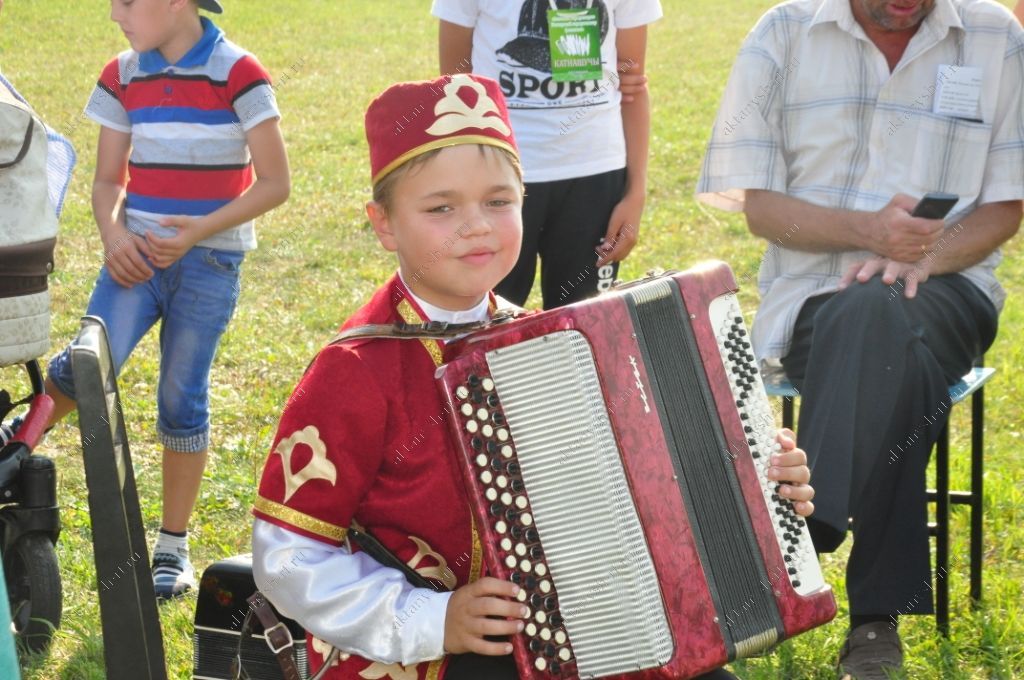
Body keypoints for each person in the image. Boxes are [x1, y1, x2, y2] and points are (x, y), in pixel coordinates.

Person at [251, 72, 816, 680]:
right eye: (441, 207)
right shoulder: (355, 370)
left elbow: (637, 484)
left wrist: (756, 475)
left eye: (499, 201)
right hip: (426, 655)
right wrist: (432, 617)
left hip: (579, 626)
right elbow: (289, 556)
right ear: (384, 224)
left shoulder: (551, 345)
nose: (477, 225)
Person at [697, 0, 1024, 677]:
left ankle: (806, 530)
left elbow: (1005, 207)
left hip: (950, 289)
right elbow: (760, 209)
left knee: (883, 317)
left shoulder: (996, 36)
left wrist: (926, 256)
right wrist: (868, 234)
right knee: (890, 346)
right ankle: (875, 623)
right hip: (817, 301)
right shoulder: (783, 35)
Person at [44, 0, 290, 600]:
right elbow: (108, 181)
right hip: (135, 261)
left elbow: (276, 183)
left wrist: (198, 232)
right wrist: (115, 236)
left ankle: (172, 546)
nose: (113, 14)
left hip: (208, 263)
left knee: (182, 398)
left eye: (127, 1)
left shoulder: (239, 72)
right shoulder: (122, 73)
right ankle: (15, 447)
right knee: (84, 364)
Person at [431, 0, 662, 309]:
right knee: (488, 322)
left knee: (586, 321)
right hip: (498, 175)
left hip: (595, 178)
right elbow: (455, 87)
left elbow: (633, 86)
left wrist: (636, 193)